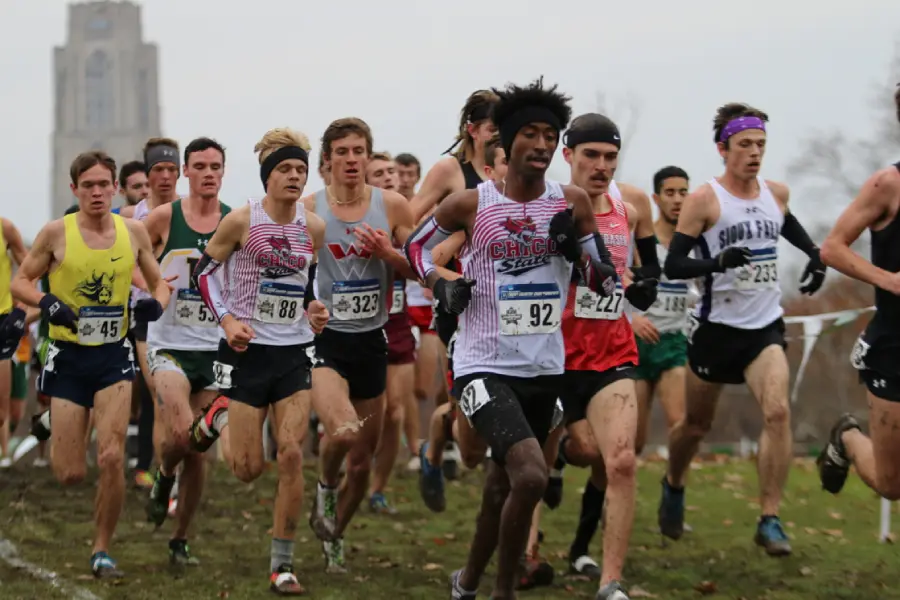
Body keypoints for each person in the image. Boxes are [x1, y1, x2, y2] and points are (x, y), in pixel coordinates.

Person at [405, 77, 619, 600]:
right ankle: (504, 592)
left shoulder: (571, 202)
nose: (542, 145)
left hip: (544, 368)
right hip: (483, 365)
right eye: (531, 134)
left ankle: (466, 585)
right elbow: (414, 248)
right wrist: (440, 283)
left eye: (550, 135)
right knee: (530, 477)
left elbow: (604, 281)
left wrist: (576, 252)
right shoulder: (471, 204)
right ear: (507, 140)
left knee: (502, 486)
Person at [658, 103, 827, 556]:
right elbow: (674, 265)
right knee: (696, 425)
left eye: (761, 145)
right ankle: (673, 482)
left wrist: (815, 256)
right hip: (716, 330)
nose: (754, 153)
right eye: (744, 145)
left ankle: (769, 518)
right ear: (723, 148)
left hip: (763, 329)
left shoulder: (776, 193)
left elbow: (786, 224)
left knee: (778, 412)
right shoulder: (704, 200)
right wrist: (717, 263)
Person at [11, 150, 169, 578]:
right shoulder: (55, 233)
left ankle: (102, 550)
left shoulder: (133, 232)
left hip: (113, 354)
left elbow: (159, 285)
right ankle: (55, 421)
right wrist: (47, 302)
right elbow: (20, 282)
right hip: (68, 357)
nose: (97, 192)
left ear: (115, 188)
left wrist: (154, 305)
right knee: (70, 474)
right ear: (75, 189)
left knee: (112, 456)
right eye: (88, 185)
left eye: (103, 184)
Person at [189, 127, 329, 595]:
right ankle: (218, 415)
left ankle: (282, 565)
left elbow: (309, 283)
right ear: (268, 176)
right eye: (284, 169)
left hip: (293, 353)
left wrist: (315, 307)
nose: (294, 177)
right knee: (247, 469)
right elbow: (203, 274)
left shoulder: (313, 227)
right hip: (245, 351)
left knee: (291, 453)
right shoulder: (241, 221)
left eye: (300, 170)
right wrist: (227, 320)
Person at [542, 113, 660, 598]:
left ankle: (611, 582)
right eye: (591, 155)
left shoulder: (629, 208)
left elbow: (643, 272)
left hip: (612, 353)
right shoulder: (546, 206)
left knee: (622, 461)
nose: (601, 165)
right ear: (568, 155)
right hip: (554, 356)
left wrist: (642, 288)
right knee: (583, 452)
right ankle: (527, 552)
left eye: (610, 156)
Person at [301, 117, 416, 572]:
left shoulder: (393, 206)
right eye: (342, 152)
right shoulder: (309, 209)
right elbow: (290, 274)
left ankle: (335, 535)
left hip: (372, 340)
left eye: (358, 151)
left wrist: (388, 254)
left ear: (368, 156)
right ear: (327, 160)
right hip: (327, 342)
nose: (351, 160)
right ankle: (325, 486)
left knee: (364, 462)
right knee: (344, 430)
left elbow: (420, 268)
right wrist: (308, 305)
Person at [141, 137, 232, 566]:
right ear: (186, 172)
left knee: (199, 450)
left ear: (223, 171)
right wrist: (153, 287)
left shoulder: (235, 221)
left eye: (215, 166)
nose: (208, 173)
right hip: (169, 345)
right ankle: (163, 476)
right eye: (200, 166)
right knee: (182, 434)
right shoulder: (164, 217)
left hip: (214, 348)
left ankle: (180, 538)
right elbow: (131, 258)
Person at [816, 85, 900, 502]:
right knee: (892, 484)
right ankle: (847, 437)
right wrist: (889, 280)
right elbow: (832, 247)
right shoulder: (887, 184)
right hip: (894, 346)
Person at [417, 136, 507, 510]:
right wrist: (454, 281)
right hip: (464, 323)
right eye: (507, 162)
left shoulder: (544, 209)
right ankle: (434, 450)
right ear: (489, 171)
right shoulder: (473, 213)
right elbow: (428, 259)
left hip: (517, 331)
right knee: (465, 430)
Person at [364, 151, 414, 514]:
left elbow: (420, 265)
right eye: (379, 173)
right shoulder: (354, 218)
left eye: (391, 171)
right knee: (373, 417)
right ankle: (353, 474)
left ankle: (378, 489)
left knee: (396, 413)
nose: (388, 177)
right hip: (363, 329)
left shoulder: (404, 217)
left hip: (398, 325)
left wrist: (390, 253)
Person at [631, 167, 693, 458]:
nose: (677, 199)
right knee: (634, 441)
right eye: (670, 193)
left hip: (673, 343)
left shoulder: (695, 242)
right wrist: (632, 318)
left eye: (683, 193)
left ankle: (674, 481)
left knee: (680, 424)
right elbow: (618, 281)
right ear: (656, 198)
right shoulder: (641, 241)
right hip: (639, 344)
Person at [0, 217, 29, 467]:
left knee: (2, 413)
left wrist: (21, 309)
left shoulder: (5, 228)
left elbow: (29, 270)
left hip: (2, 322)